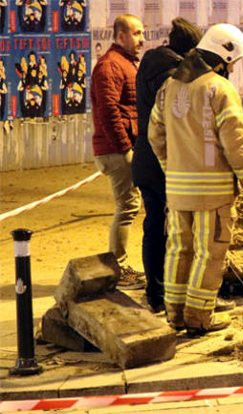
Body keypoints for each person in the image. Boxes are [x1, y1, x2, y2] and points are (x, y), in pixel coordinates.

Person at [148, 23, 243, 336]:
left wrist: (173, 167)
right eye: (233, 63)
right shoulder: (220, 90)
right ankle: (198, 319)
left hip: (177, 189)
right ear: (223, 57)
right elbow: (235, 143)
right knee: (209, 253)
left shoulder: (168, 87)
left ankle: (175, 314)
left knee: (178, 250)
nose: (233, 70)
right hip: (213, 193)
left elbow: (155, 136)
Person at [132, 18, 202, 313]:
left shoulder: (151, 63)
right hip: (163, 163)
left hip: (145, 161)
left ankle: (156, 292)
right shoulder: (175, 76)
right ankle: (165, 294)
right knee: (170, 231)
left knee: (154, 227)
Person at [91, 14, 145, 283]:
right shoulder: (110, 66)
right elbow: (108, 112)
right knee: (127, 206)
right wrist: (125, 149)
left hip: (119, 147)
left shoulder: (123, 64)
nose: (142, 39)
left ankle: (120, 266)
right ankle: (118, 268)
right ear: (121, 35)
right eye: (136, 33)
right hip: (115, 150)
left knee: (129, 205)